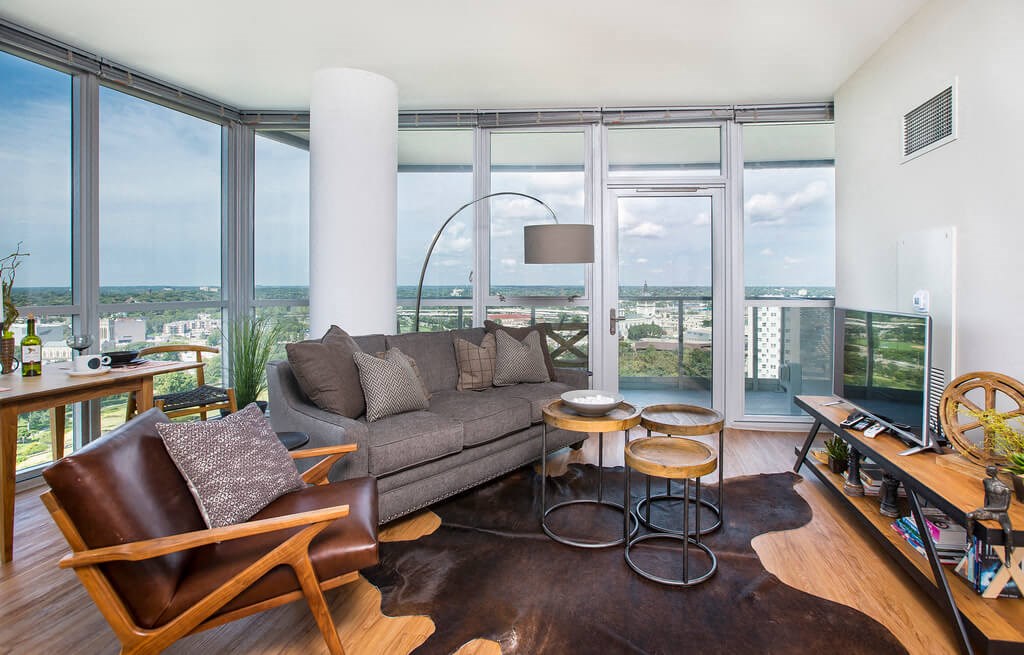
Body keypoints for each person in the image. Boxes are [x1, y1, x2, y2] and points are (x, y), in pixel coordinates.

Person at [965, 465, 1015, 567]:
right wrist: (984, 508)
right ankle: (970, 541)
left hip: (1001, 514)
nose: (987, 471)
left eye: (989, 470)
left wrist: (986, 509)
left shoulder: (1005, 489)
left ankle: (1008, 558)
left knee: (1008, 531)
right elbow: (986, 497)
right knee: (969, 515)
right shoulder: (986, 482)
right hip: (988, 511)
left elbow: (1004, 508)